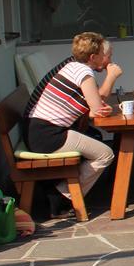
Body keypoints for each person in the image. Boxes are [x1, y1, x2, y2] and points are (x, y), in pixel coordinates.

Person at [23, 32, 123, 218]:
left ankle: (60, 194)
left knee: (95, 143)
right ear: (93, 57)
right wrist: (111, 77)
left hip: (38, 131)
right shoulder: (83, 72)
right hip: (48, 136)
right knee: (105, 154)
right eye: (105, 54)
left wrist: (98, 107)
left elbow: (94, 109)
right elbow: (96, 108)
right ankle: (62, 197)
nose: (108, 59)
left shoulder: (71, 67)